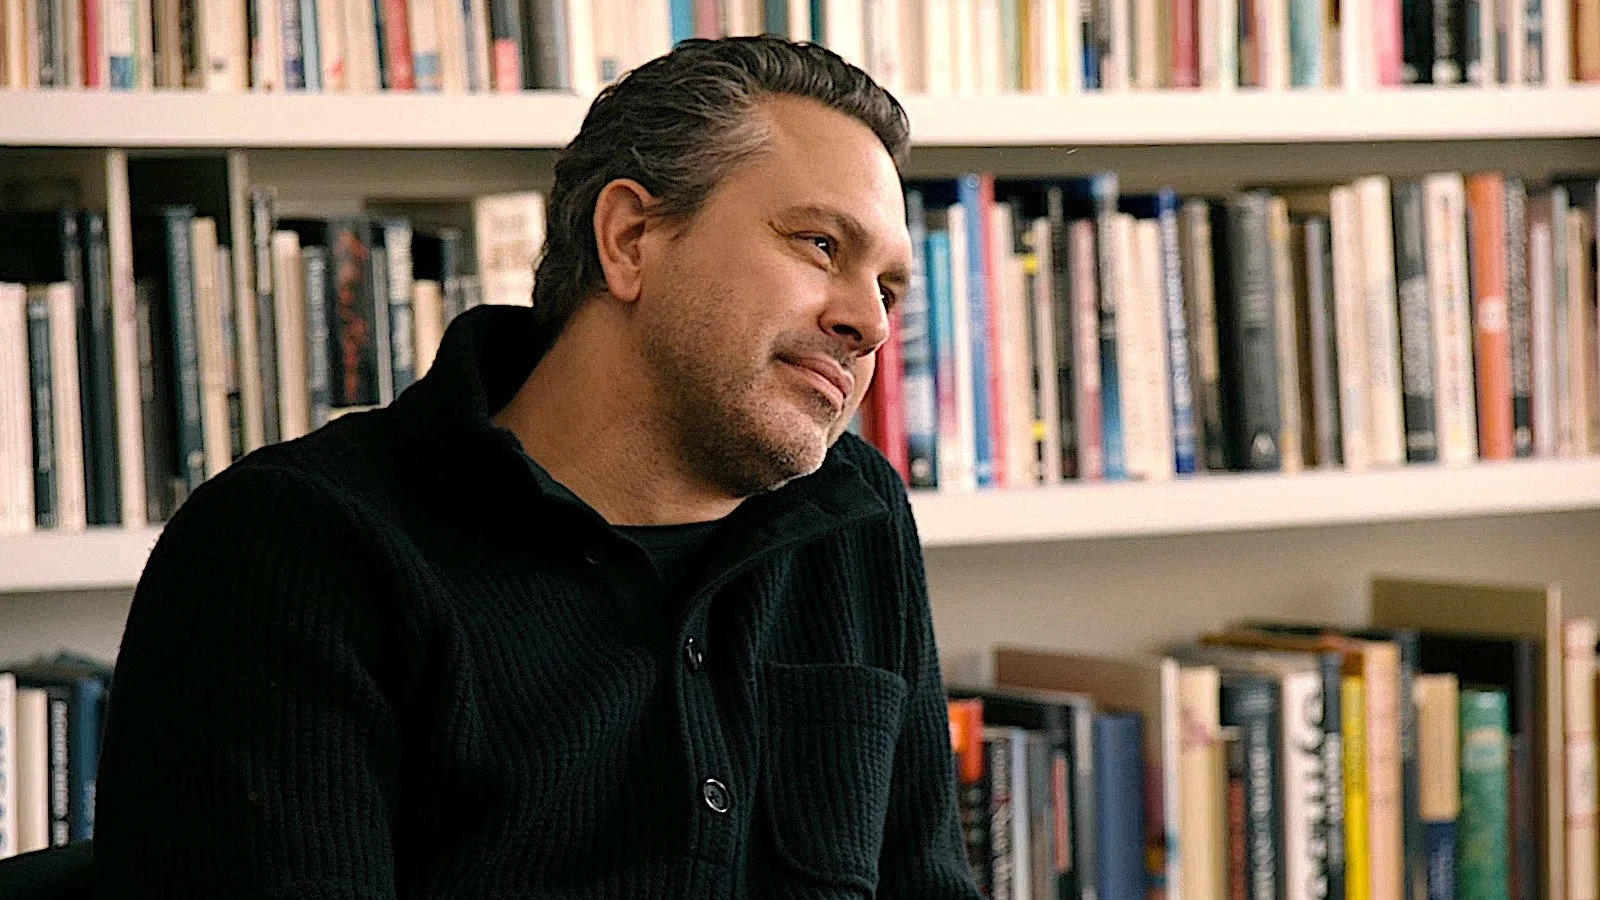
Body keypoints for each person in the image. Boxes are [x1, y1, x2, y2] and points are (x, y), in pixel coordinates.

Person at [92, 35, 980, 899]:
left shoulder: (857, 511)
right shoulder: (292, 550)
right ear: (631, 238)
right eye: (822, 246)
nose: (871, 323)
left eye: (890, 289)